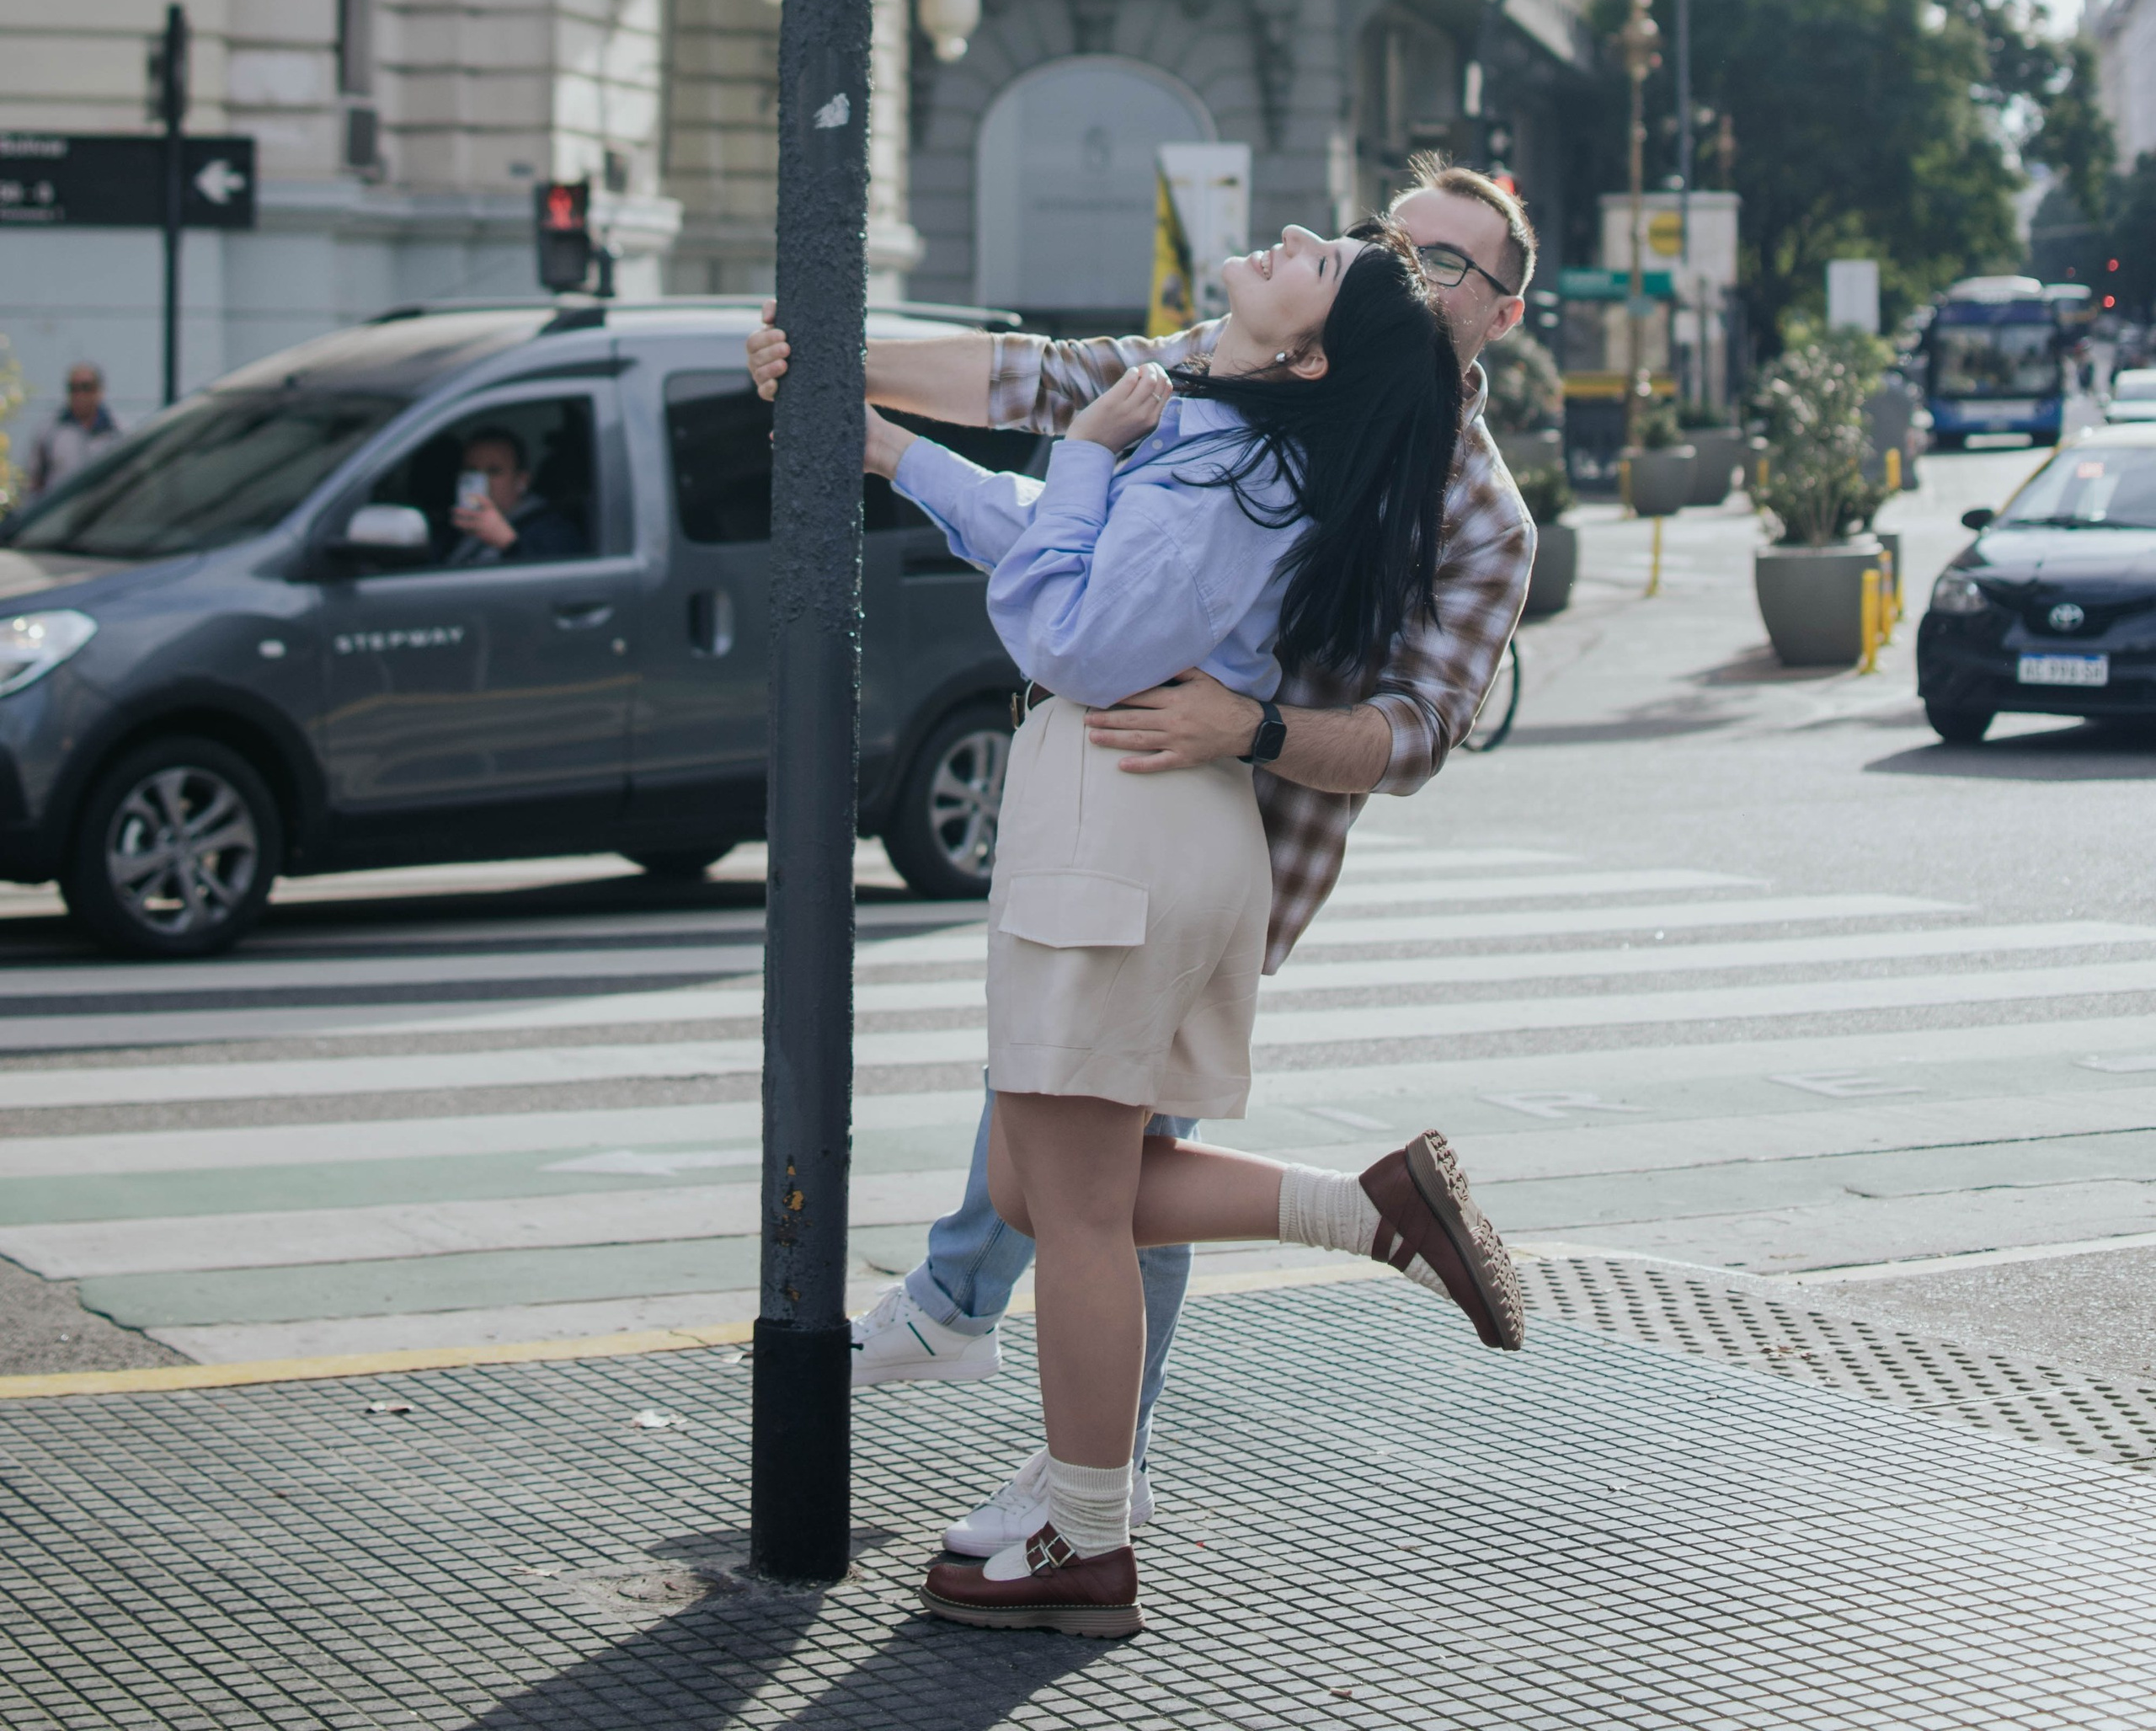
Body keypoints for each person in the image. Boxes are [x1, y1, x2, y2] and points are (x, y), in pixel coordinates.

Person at [748, 161, 1537, 1552]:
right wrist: (857, 396)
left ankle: (1084, 1488)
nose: (1390, 263)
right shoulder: (1249, 394)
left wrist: (1255, 718)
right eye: (1387, 243)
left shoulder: (1414, 493)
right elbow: (1043, 386)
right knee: (1055, 1180)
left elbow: (1116, 637)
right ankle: (1333, 1230)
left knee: (1089, 1194)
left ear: (1500, 311)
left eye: (1438, 266)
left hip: (1180, 840)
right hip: (1150, 830)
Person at [445, 425, 586, 566]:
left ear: (521, 481)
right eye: (472, 471)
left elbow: (557, 582)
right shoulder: (452, 527)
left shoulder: (552, 529)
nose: (482, 480)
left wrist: (509, 543)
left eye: (493, 471)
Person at [24, 364, 124, 498]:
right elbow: (32, 482)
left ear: (99, 391)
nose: (80, 394)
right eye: (73, 388)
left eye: (86, 387)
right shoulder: (50, 433)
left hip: (104, 513)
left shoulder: (118, 433)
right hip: (62, 513)